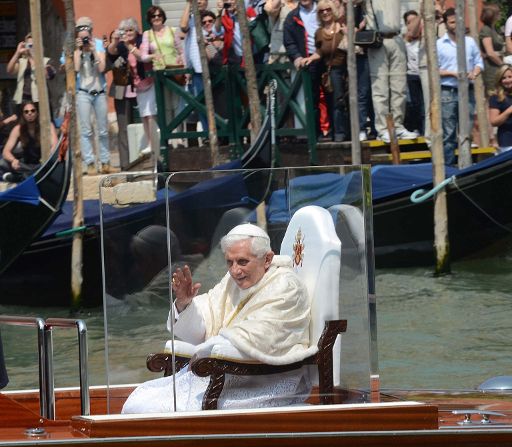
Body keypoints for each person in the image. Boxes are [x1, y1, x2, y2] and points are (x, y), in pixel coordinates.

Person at [122, 223, 314, 413]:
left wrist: (205, 351)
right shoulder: (233, 281)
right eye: (229, 262)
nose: (234, 271)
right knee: (139, 399)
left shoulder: (286, 287)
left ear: (267, 259)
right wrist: (185, 303)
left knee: (151, 408)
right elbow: (207, 319)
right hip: (224, 372)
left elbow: (261, 337)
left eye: (242, 262)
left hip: (264, 382)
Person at [364, 0, 418, 143]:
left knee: (399, 87)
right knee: (380, 88)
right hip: (378, 40)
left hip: (397, 37)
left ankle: (398, 126)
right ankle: (382, 129)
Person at [437, 8, 483, 166]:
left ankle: (466, 164)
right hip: (448, 91)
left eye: (457, 21)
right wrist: (453, 73)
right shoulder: (439, 44)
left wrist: (475, 72)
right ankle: (448, 166)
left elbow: (479, 62)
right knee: (449, 134)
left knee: (467, 131)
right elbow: (435, 70)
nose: (455, 25)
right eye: (452, 22)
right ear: (446, 23)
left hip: (467, 91)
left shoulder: (469, 42)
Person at [74, 17, 116, 175]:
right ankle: (90, 163)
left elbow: (103, 68)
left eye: (87, 36)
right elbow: (76, 70)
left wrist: (92, 51)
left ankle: (105, 162)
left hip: (99, 92)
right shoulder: (75, 48)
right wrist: (79, 51)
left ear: (91, 33)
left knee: (103, 130)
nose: (85, 39)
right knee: (86, 131)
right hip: (83, 92)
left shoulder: (97, 45)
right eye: (81, 36)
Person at [303, 0, 349, 142]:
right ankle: (334, 131)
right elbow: (319, 52)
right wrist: (309, 59)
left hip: (341, 70)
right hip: (327, 72)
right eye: (321, 11)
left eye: (328, 9)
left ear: (333, 10)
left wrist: (348, 34)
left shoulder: (341, 28)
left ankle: (341, 133)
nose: (325, 13)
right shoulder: (319, 33)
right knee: (330, 102)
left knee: (339, 103)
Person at [140, 6, 184, 151]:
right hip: (160, 75)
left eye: (159, 15)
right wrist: (154, 56)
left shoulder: (172, 30)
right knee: (165, 108)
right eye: (153, 16)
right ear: (150, 19)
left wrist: (180, 61)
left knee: (178, 106)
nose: (157, 18)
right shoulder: (148, 34)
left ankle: (181, 139)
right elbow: (143, 56)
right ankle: (170, 139)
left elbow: (181, 50)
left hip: (174, 72)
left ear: (163, 16)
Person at [283, 0, 322, 137]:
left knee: (334, 97)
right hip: (307, 61)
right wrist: (297, 57)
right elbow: (289, 41)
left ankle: (338, 132)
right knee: (311, 99)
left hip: (327, 58)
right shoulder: (292, 16)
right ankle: (315, 134)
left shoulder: (324, 9)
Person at [107, 19, 142, 170]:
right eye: (125, 31)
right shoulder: (119, 46)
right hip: (122, 91)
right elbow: (110, 52)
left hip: (142, 89)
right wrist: (115, 41)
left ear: (136, 31)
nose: (127, 33)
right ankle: (125, 165)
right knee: (123, 128)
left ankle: (143, 160)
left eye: (130, 30)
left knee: (143, 126)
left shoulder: (142, 42)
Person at [0, 101, 57, 183]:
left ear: (37, 112)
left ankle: (20, 178)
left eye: (32, 111)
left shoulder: (47, 125)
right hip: (26, 165)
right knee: (2, 163)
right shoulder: (18, 129)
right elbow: (6, 152)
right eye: (26, 112)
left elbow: (54, 145)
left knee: (51, 164)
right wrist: (13, 160)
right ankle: (27, 176)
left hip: (43, 163)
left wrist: (49, 159)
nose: (29, 113)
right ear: (23, 114)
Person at [6, 32, 56, 117]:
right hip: (23, 100)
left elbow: (48, 76)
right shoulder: (22, 61)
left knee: (46, 126)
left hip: (41, 100)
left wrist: (33, 59)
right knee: (22, 128)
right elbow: (9, 70)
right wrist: (17, 53)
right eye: (29, 45)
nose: (31, 48)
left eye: (34, 45)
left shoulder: (46, 61)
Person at [180, 0, 210, 135]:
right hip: (196, 70)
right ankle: (206, 134)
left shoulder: (210, 19)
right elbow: (182, 25)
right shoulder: (191, 19)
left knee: (213, 104)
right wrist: (188, 4)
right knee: (201, 105)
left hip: (211, 67)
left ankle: (216, 134)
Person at [402, 10, 424, 136]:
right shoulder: (407, 39)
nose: (414, 24)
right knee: (415, 104)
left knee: (425, 105)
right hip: (413, 75)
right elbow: (411, 32)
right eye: (410, 22)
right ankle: (416, 127)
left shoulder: (426, 37)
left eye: (415, 21)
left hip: (424, 75)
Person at [479, 3, 504, 96]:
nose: (500, 14)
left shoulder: (493, 29)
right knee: (493, 96)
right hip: (491, 69)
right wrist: (503, 64)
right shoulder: (486, 30)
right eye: (498, 13)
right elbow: (490, 53)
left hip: (497, 67)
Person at [488, 64, 512, 153]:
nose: (507, 80)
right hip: (508, 142)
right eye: (504, 78)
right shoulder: (496, 97)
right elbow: (494, 122)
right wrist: (509, 111)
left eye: (510, 77)